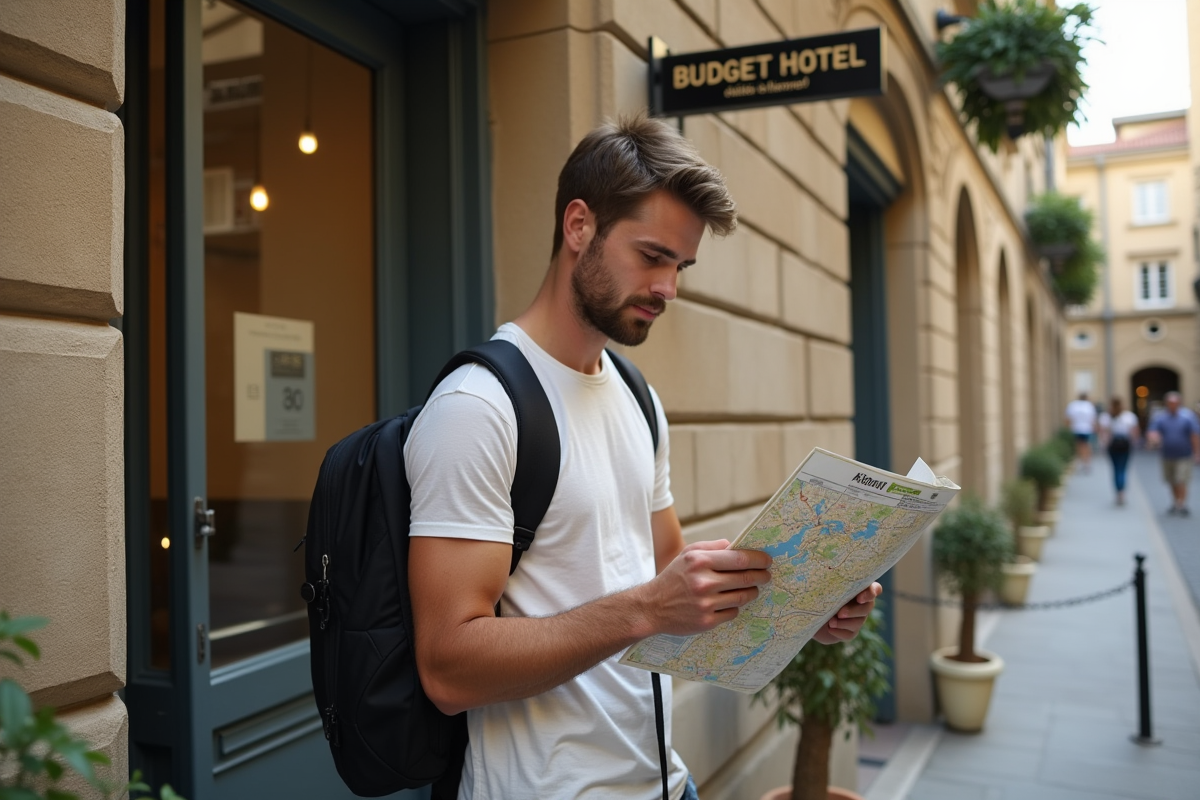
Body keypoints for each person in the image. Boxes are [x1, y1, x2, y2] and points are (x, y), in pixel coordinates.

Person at [404, 115, 882, 800]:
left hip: (663, 782)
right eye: (653, 256)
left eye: (679, 267)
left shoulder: (636, 395)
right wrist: (646, 609)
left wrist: (808, 605)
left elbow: (669, 587)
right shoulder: (477, 408)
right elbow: (447, 669)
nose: (669, 288)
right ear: (578, 226)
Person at [1145, 391, 1200, 516]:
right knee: (1171, 480)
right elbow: (1153, 431)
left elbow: (1194, 435)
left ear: (1179, 403)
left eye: (1175, 403)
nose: (1172, 405)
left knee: (1181, 479)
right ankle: (1175, 502)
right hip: (1167, 454)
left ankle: (1182, 504)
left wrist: (1197, 453)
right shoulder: (1161, 417)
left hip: (1184, 455)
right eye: (1170, 403)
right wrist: (1153, 439)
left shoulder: (1187, 417)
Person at [1097, 397, 1139, 506]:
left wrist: (1103, 445)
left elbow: (1103, 433)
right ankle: (1121, 492)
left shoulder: (1106, 417)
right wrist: (1133, 443)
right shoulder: (1129, 416)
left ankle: (1118, 492)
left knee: (1115, 469)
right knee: (1123, 468)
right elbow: (1134, 433)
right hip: (1125, 445)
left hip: (1113, 445)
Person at [1064, 392, 1098, 472]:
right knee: (1087, 446)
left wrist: (1068, 428)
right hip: (1087, 429)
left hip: (1076, 429)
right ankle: (1087, 463)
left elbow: (1068, 419)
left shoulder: (1073, 405)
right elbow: (1093, 420)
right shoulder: (1089, 406)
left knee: (1079, 446)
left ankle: (1080, 462)